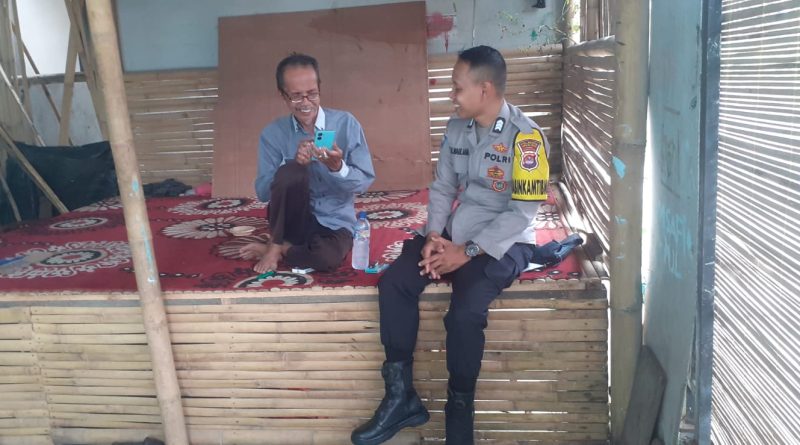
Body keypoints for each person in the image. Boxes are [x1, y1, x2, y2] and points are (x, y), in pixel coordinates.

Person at [351, 45, 550, 445]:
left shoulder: (527, 138)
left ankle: (459, 413)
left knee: (465, 312)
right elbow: (443, 187)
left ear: (485, 89)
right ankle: (401, 398)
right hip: (455, 232)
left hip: (504, 241)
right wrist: (433, 236)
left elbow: (523, 213)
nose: (451, 95)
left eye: (457, 87)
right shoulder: (457, 128)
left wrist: (468, 252)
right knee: (395, 283)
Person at [239, 53, 375, 273]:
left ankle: (280, 249)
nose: (305, 103)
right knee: (291, 172)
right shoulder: (272, 134)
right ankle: (277, 244)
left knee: (326, 258)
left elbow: (363, 182)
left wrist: (337, 167)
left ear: (320, 88)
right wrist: (292, 164)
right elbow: (263, 193)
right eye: (296, 96)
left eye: (312, 94)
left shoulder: (345, 124)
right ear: (283, 95)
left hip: (335, 220)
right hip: (291, 222)